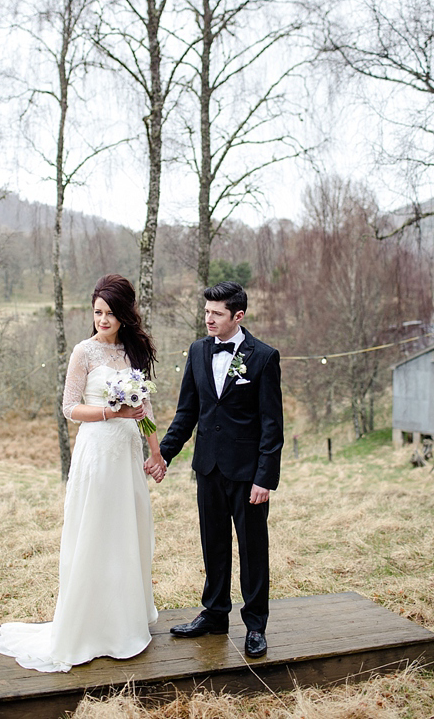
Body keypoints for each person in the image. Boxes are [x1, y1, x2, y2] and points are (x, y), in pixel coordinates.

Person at [0, 274, 167, 671]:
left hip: (126, 454)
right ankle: (89, 627)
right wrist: (112, 412)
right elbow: (69, 408)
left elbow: (147, 410)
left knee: (128, 532)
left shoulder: (134, 351)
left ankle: (125, 622)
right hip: (96, 453)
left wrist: (155, 453)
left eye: (109, 313)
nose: (102, 320)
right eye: (97, 312)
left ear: (125, 314)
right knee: (96, 532)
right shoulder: (83, 352)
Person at [151, 281, 283, 658]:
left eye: (217, 313)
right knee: (214, 545)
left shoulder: (263, 356)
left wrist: (265, 477)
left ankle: (256, 625)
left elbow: (272, 424)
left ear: (237, 316)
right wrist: (164, 455)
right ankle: (214, 613)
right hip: (207, 468)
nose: (208, 319)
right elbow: (187, 413)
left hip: (247, 475)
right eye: (206, 311)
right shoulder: (196, 352)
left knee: (253, 550)